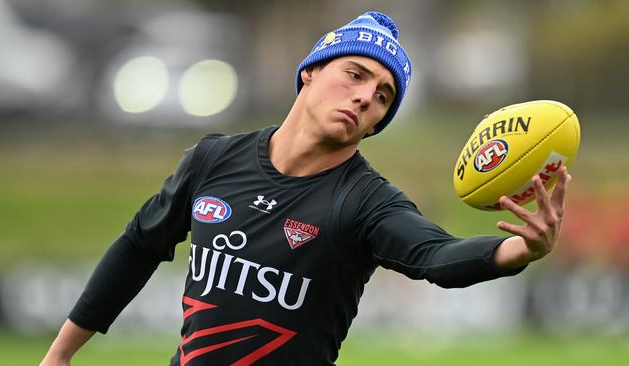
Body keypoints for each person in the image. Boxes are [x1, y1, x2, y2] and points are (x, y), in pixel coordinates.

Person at [40, 11, 571, 366]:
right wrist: (60, 355)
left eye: (384, 96)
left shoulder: (364, 201)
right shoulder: (214, 160)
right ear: (311, 72)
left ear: (376, 125)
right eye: (355, 74)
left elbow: (435, 255)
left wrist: (517, 250)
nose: (366, 97)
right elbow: (139, 245)